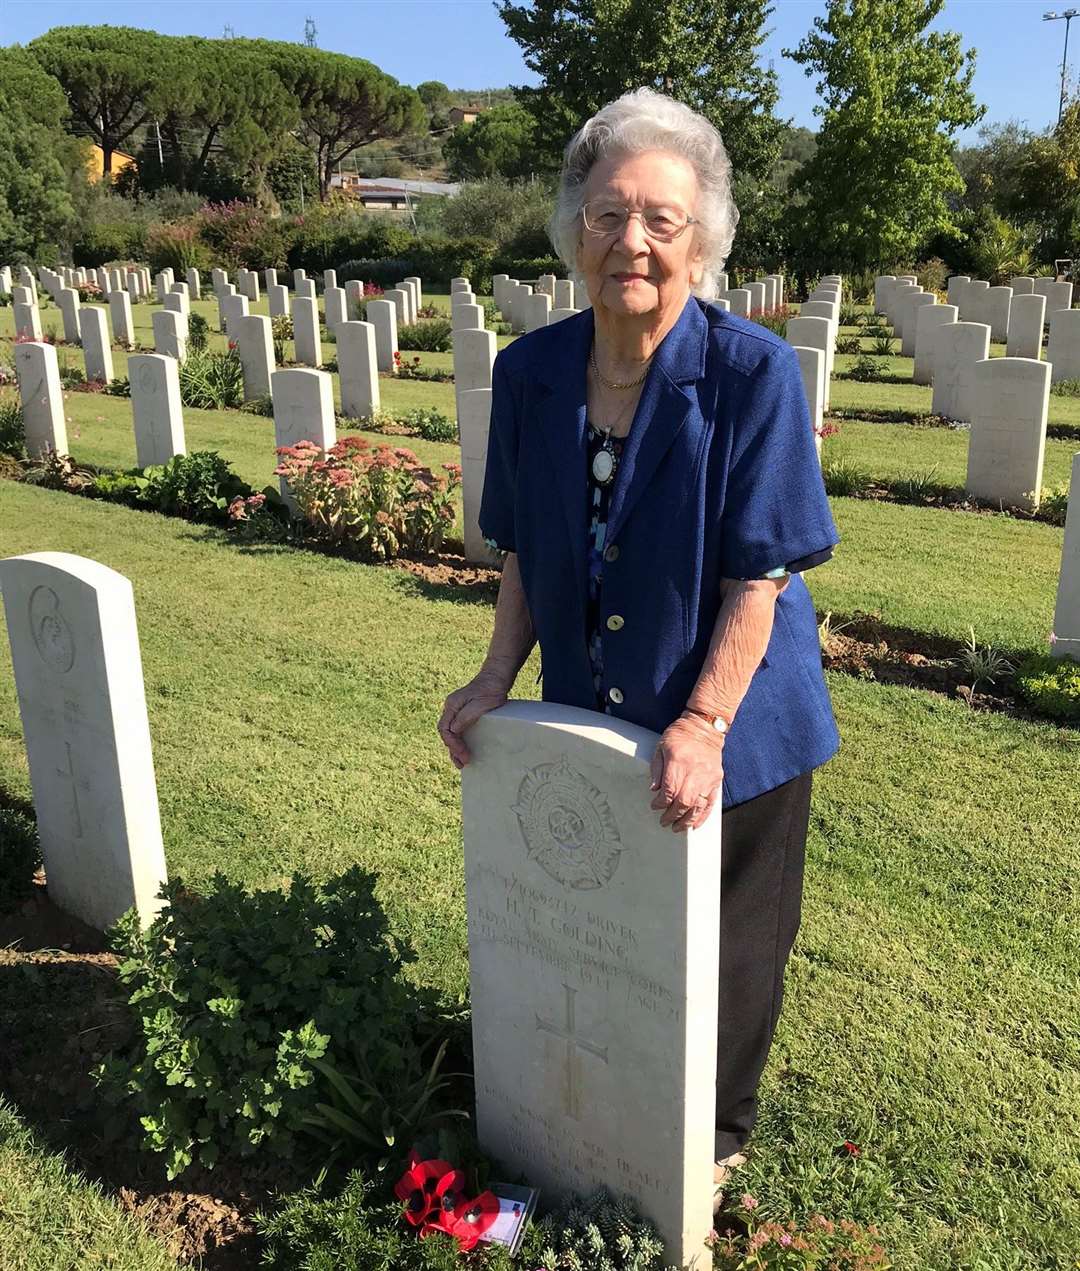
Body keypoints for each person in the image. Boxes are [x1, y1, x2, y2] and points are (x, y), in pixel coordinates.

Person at [438, 87, 840, 1201]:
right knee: (609, 917)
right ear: (573, 230)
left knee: (729, 942)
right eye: (611, 214)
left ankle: (713, 1136)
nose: (634, 242)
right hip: (594, 711)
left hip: (739, 721)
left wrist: (704, 722)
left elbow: (758, 574)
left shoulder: (753, 375)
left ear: (703, 241)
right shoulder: (529, 376)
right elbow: (522, 548)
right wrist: (492, 677)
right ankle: (615, 1092)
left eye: (663, 220)